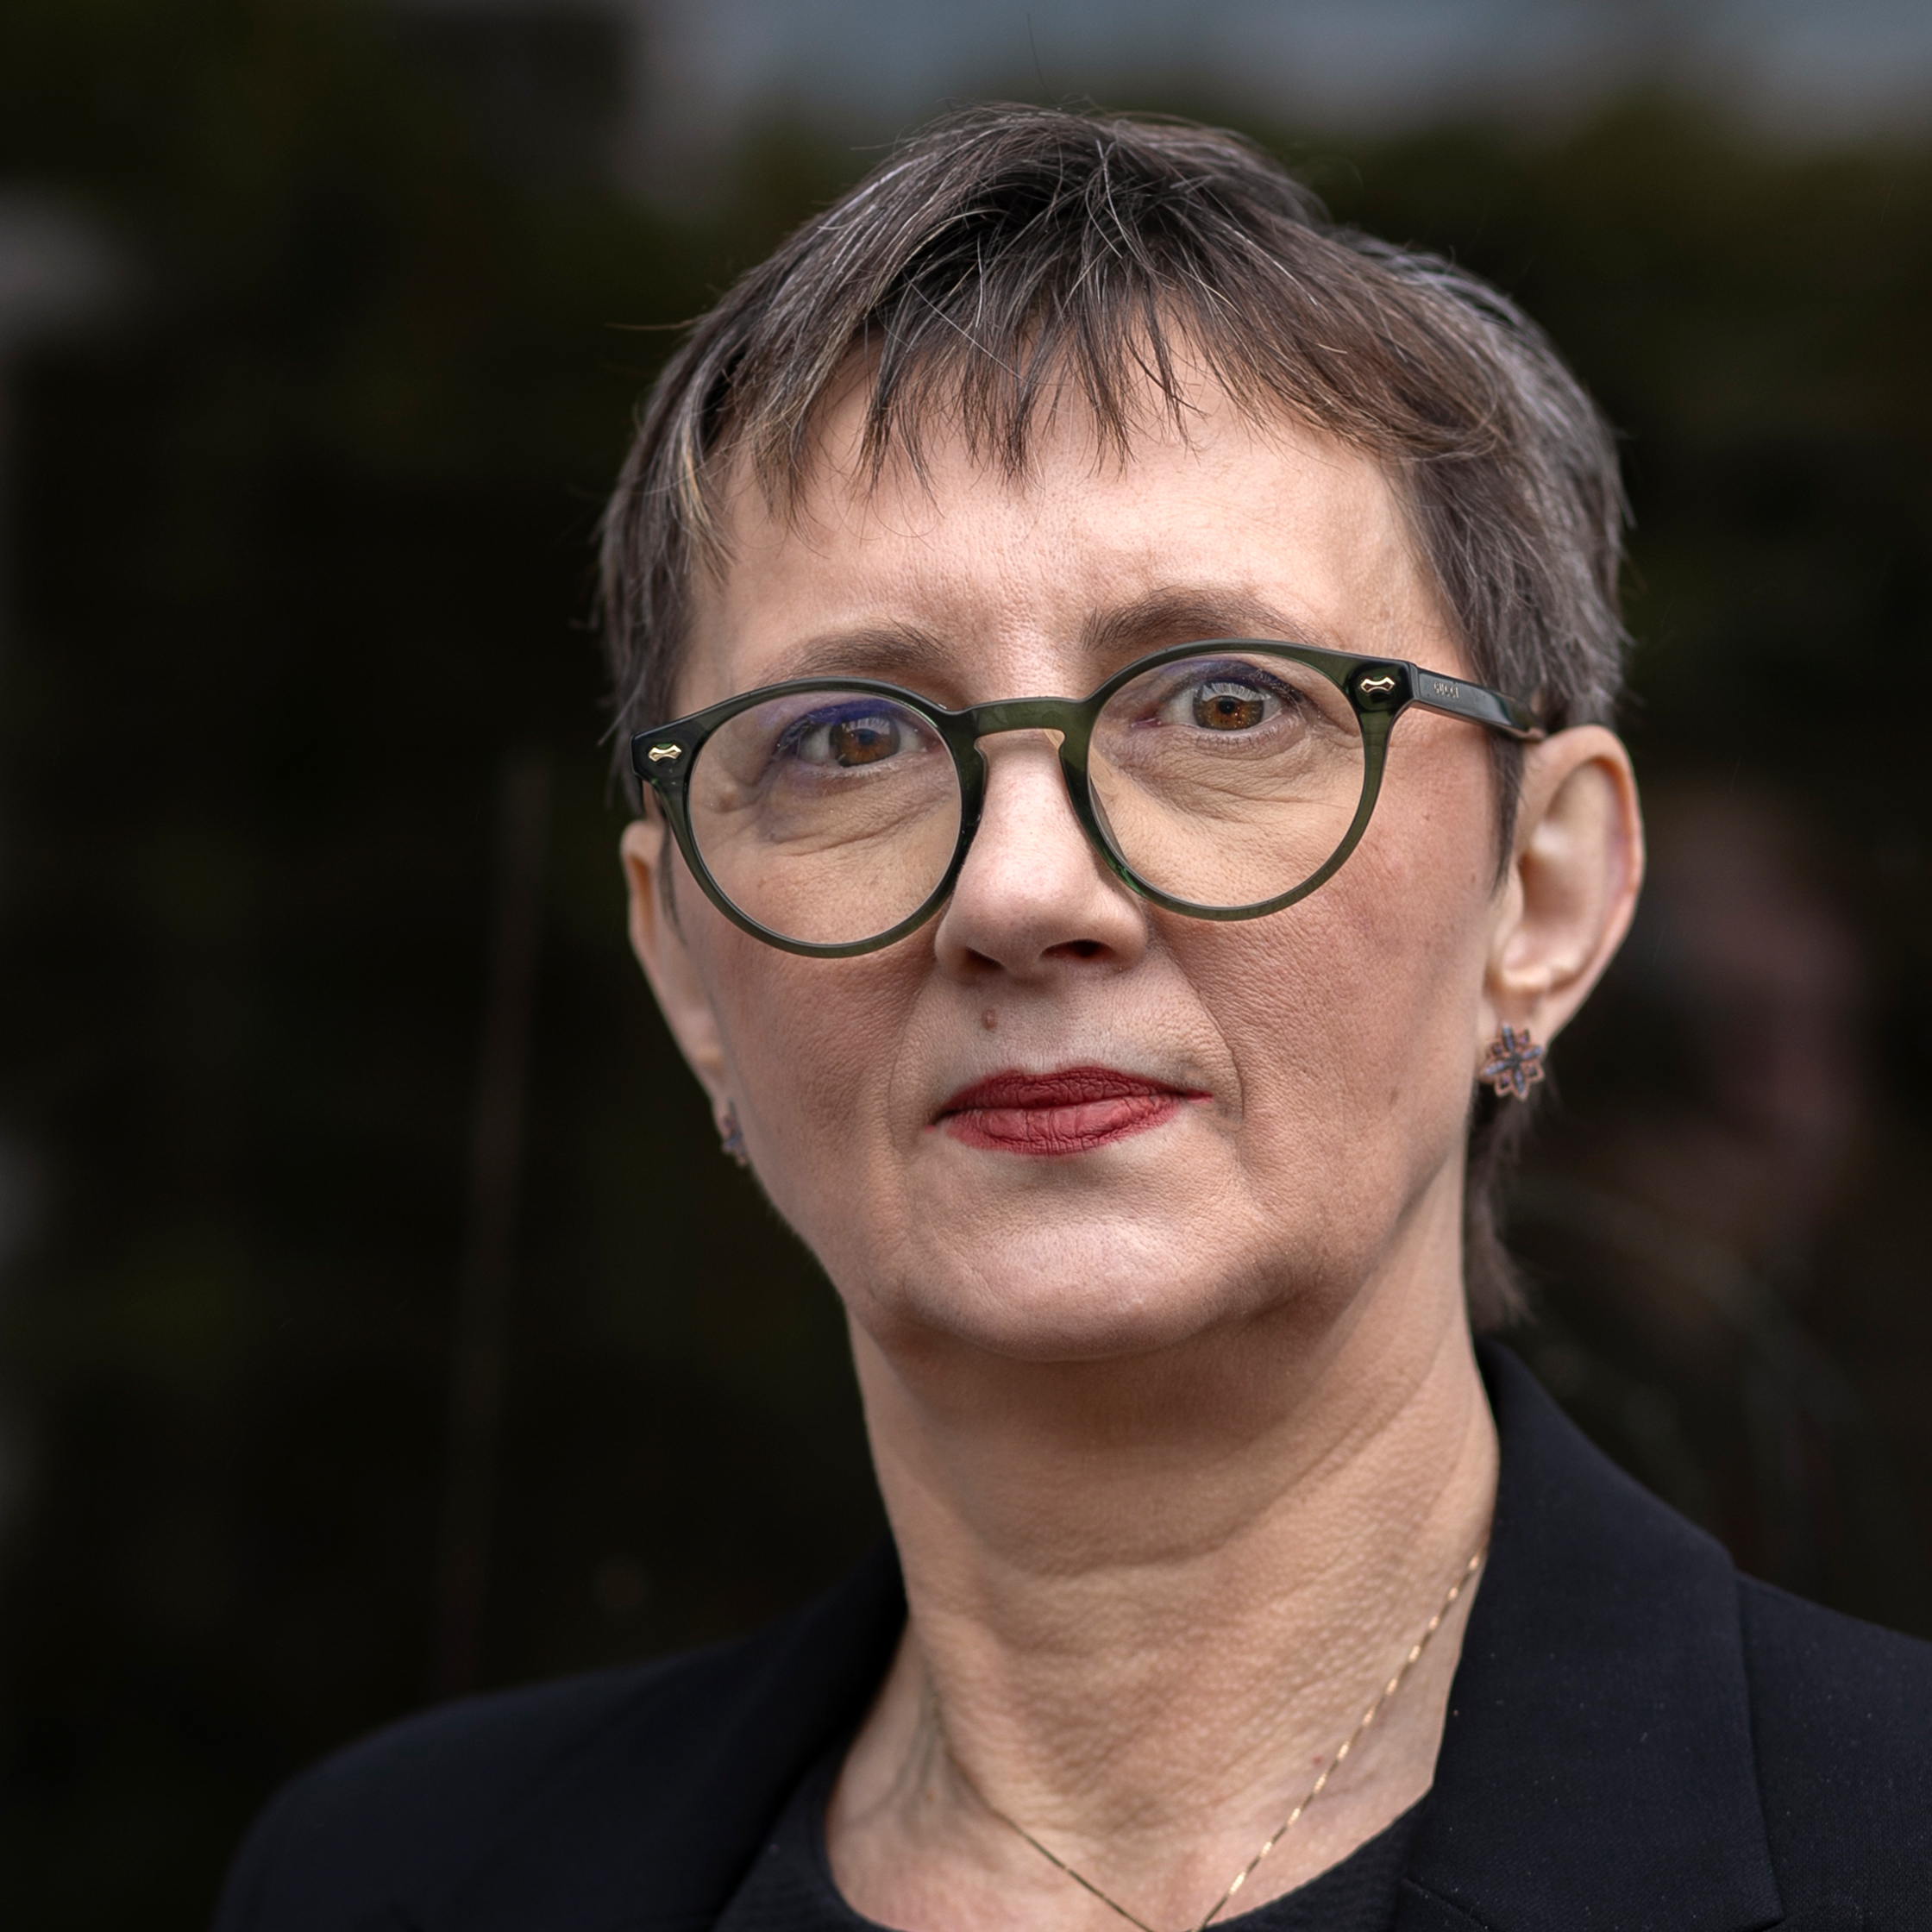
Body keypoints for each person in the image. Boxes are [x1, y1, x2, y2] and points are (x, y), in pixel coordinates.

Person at [214, 106, 1932, 1932]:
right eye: (846, 741)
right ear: (686, 969)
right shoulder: (387, 1886)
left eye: (1226, 705)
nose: (1022, 892)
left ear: (1544, 894)